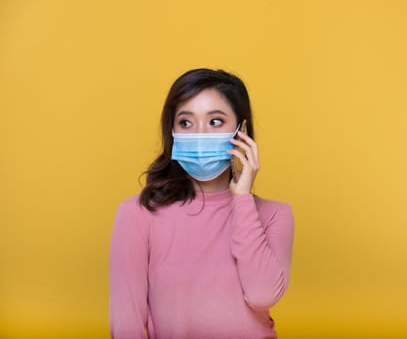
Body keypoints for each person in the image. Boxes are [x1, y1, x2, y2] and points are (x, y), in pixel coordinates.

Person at [109, 68, 295, 339]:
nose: (199, 134)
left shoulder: (276, 215)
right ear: (171, 131)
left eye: (215, 122)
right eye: (186, 122)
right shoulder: (136, 215)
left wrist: (242, 199)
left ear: (242, 131)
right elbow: (126, 326)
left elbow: (262, 294)